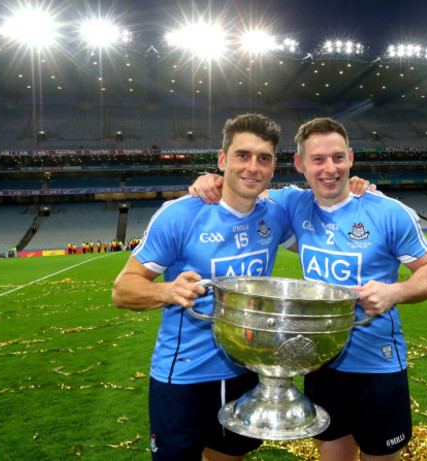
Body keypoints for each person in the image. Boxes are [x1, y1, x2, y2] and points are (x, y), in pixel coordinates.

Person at [190, 117, 427, 460]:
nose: (330, 168)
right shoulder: (295, 205)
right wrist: (211, 181)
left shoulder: (387, 211)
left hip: (377, 365)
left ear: (351, 158)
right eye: (318, 159)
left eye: (338, 158)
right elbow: (245, 188)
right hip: (319, 361)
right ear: (300, 164)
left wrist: (393, 293)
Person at [112, 113, 296, 461]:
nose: (253, 167)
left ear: (273, 167)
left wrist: (361, 191)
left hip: (244, 370)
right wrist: (167, 292)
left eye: (264, 158)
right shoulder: (180, 215)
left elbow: (328, 234)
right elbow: (123, 289)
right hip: (183, 376)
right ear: (222, 160)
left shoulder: (276, 216)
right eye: (242, 155)